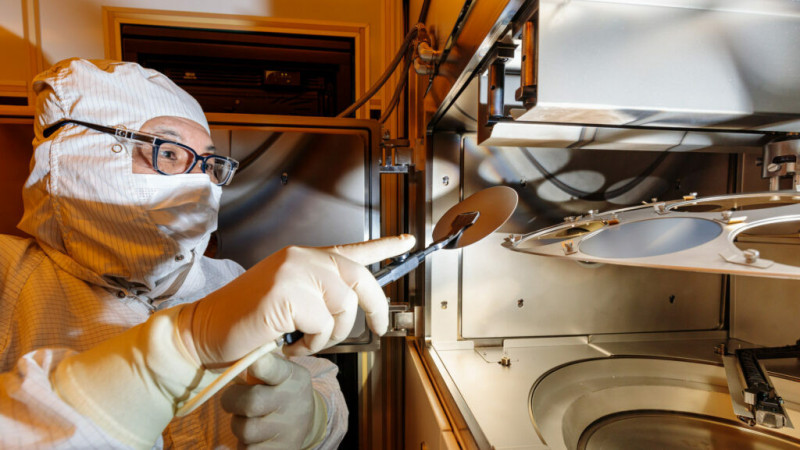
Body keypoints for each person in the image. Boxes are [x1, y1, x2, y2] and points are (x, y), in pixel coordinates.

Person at [0, 58, 415, 448]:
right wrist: (176, 349)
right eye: (168, 153)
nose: (201, 183)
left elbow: (320, 380)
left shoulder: (229, 278)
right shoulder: (8, 277)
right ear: (79, 152)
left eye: (208, 163)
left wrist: (313, 419)